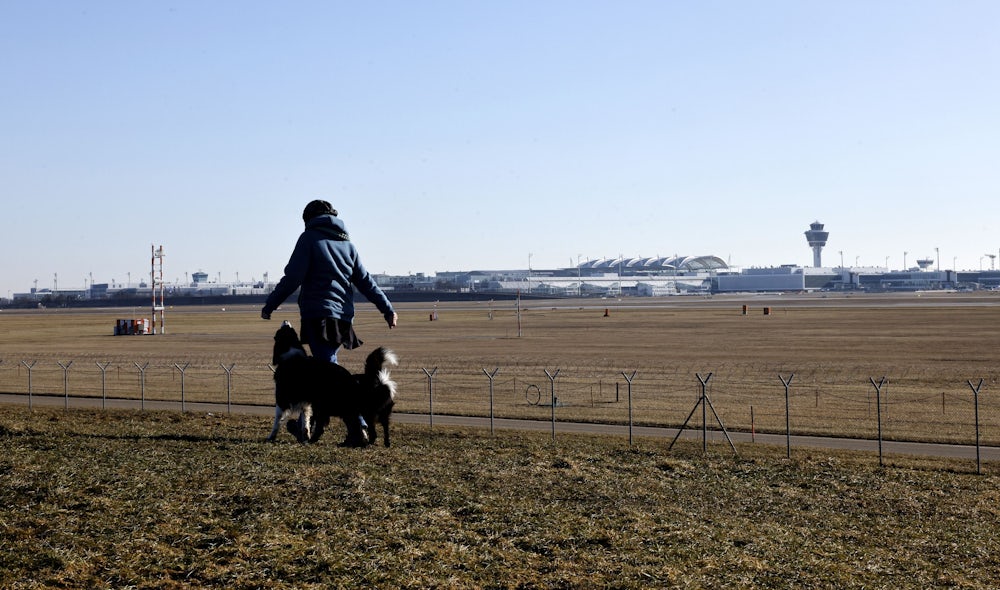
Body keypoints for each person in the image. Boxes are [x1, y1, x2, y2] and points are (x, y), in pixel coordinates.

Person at [262, 199, 397, 445]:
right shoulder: (348, 245)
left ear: (309, 219)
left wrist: (271, 304)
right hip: (342, 318)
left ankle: (357, 428)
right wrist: (387, 309)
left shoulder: (309, 239)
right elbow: (366, 281)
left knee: (328, 375)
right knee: (325, 373)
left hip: (319, 315)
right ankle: (309, 427)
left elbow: (293, 277)